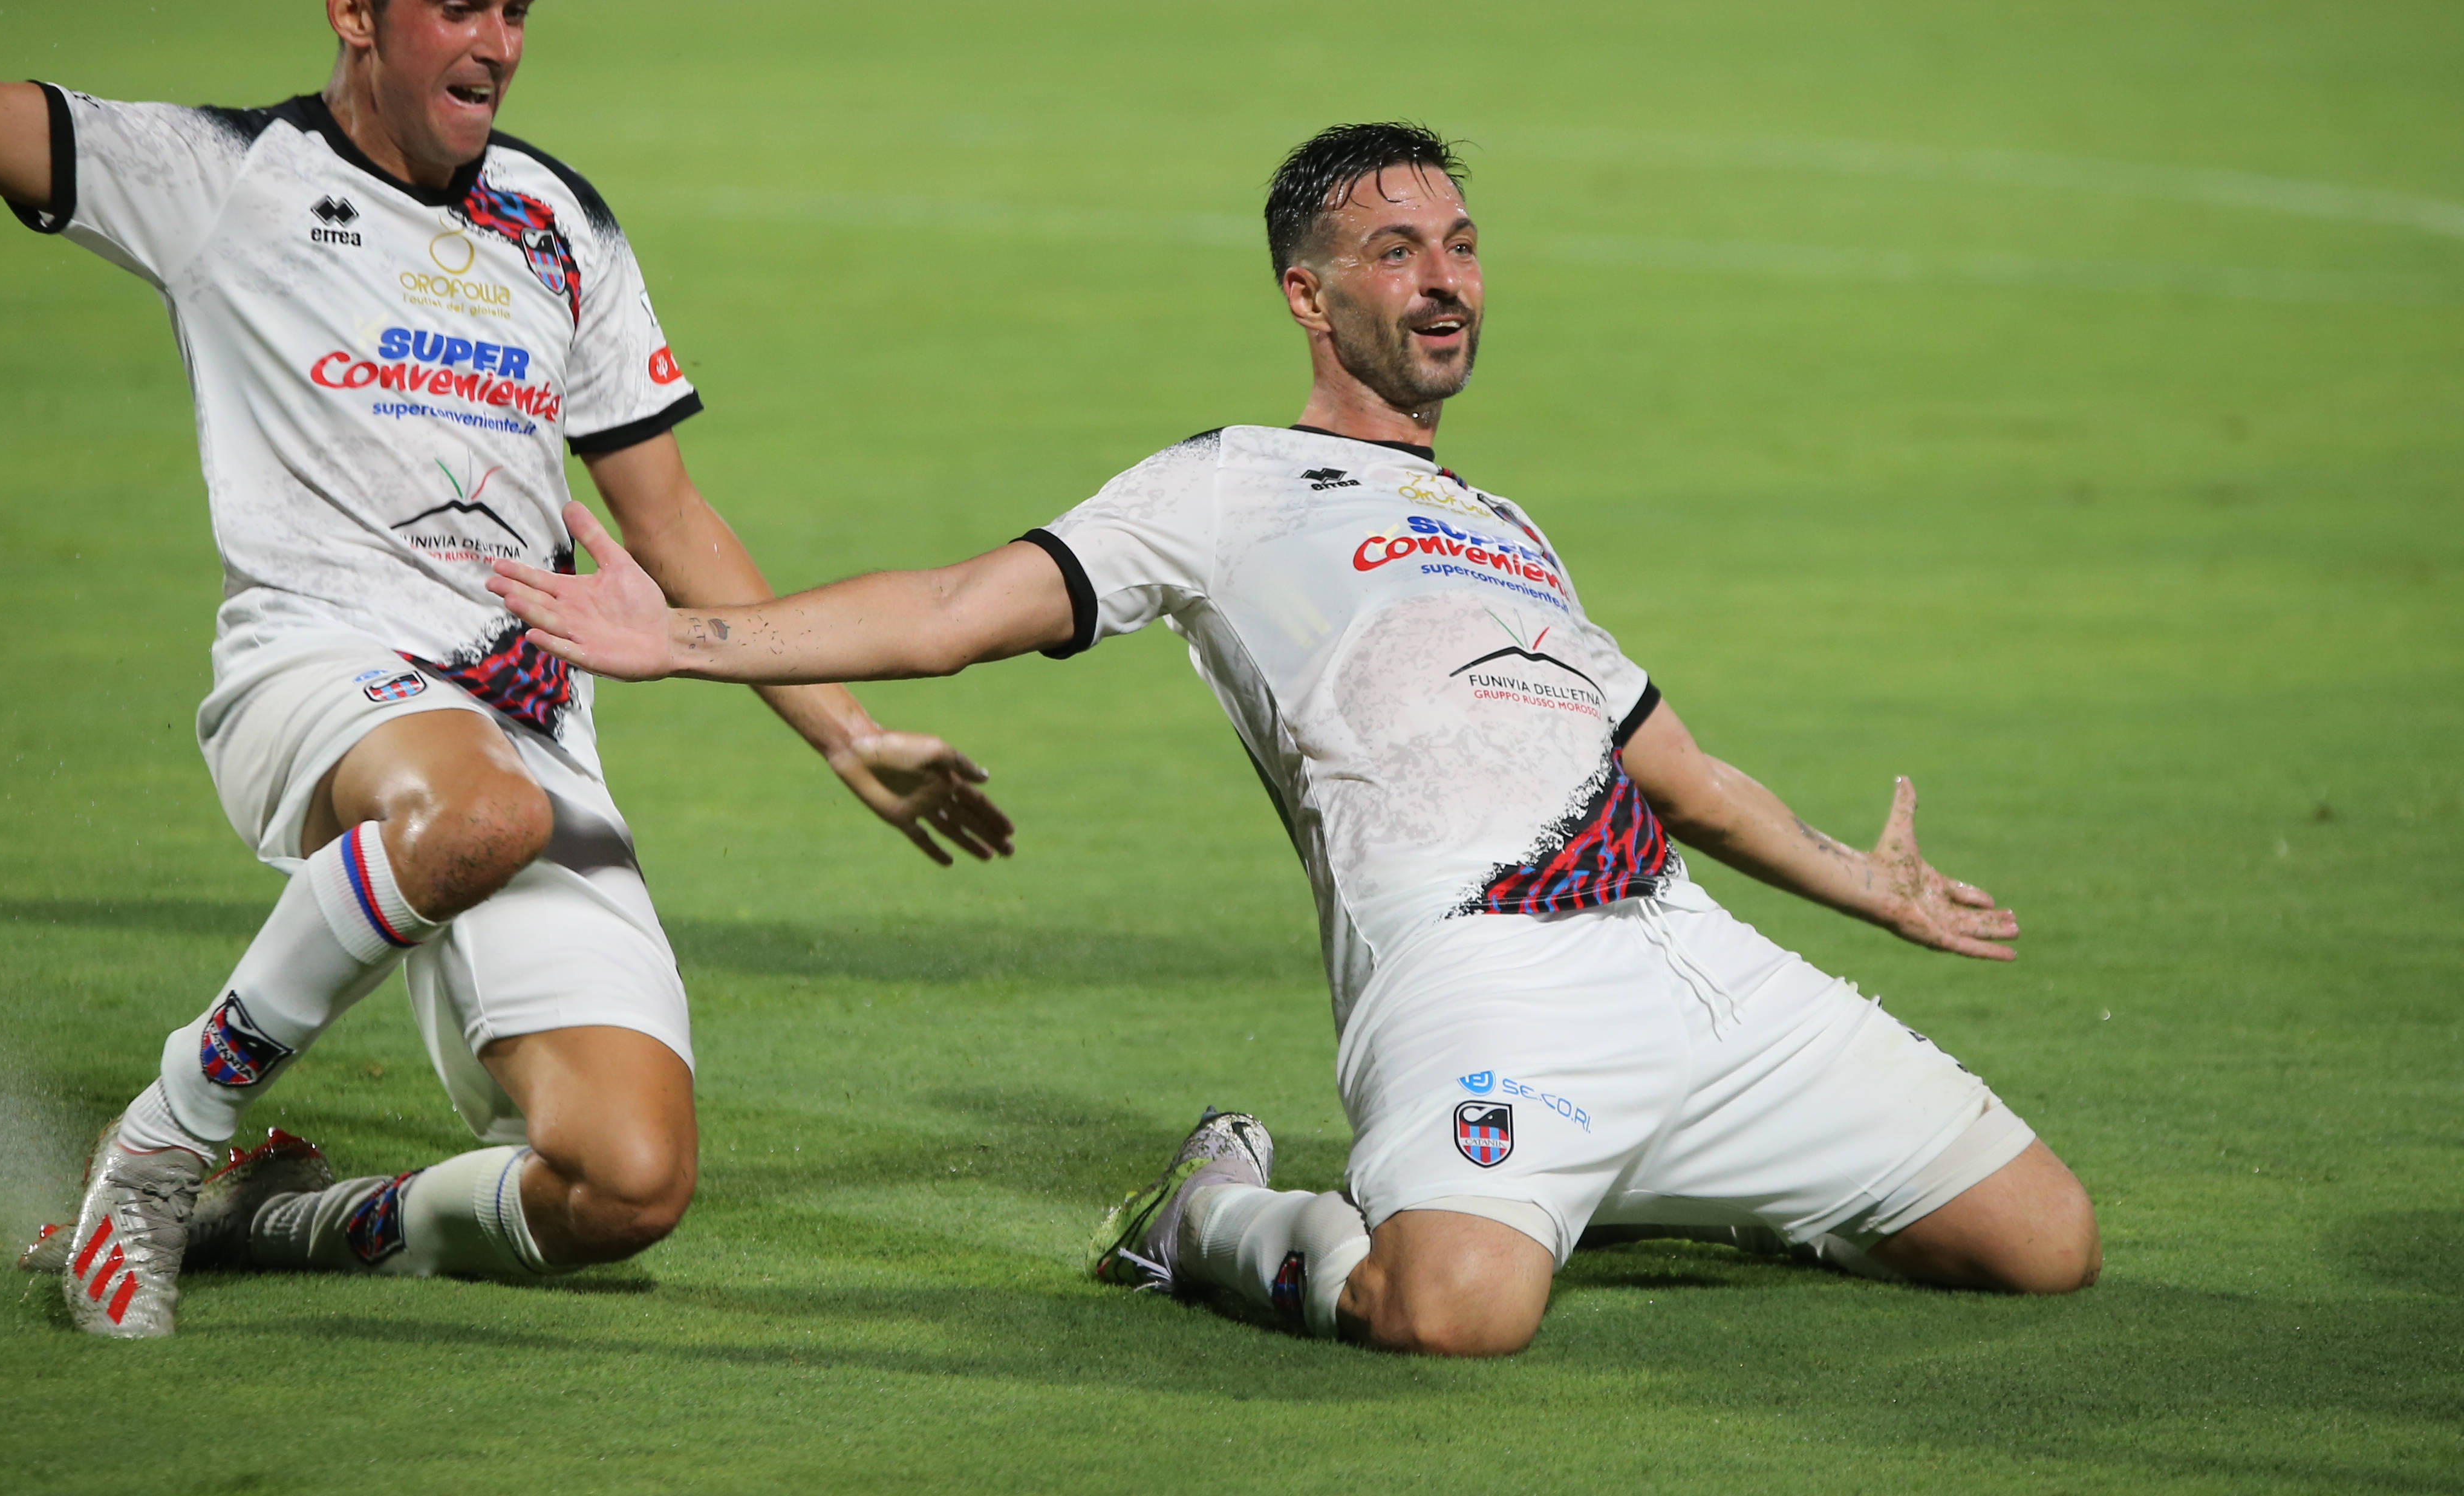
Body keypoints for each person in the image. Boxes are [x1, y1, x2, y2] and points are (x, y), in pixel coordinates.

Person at [489, 121, 2104, 1358]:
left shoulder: (1505, 522)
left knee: (2043, 1238)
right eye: (1398, 249)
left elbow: (1674, 769)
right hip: (1477, 964)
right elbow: (953, 605)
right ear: (1308, 292)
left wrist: (1862, 883)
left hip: (1679, 943)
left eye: (1462, 243)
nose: (1447, 276)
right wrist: (681, 639)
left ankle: (1622, 1175)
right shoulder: (1227, 484)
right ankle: (1212, 1213)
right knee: (1454, 1310)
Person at [0, 0, 1012, 1340]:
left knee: (626, 1182)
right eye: (460, 8)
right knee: (467, 815)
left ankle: (296, 1218)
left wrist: (847, 733)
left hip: (532, 709)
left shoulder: (561, 222)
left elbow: (670, 518)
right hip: (324, 667)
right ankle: (161, 1153)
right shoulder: (225, 182)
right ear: (355, 10)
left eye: (519, 9)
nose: (500, 45)